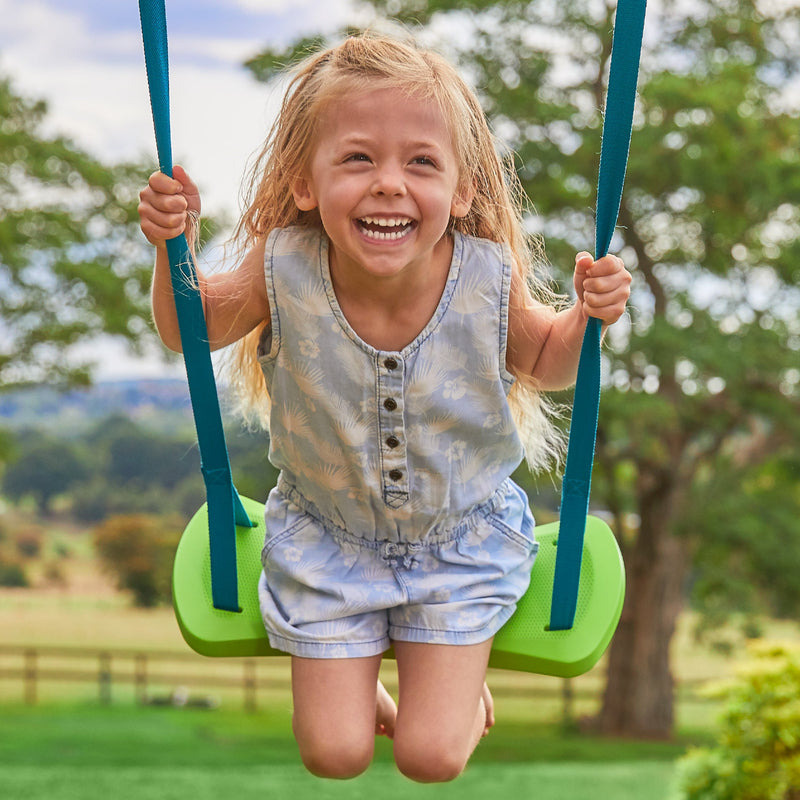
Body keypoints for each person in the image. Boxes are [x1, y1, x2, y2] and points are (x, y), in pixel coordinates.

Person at [138, 32, 631, 783]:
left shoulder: (485, 278)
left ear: (463, 189)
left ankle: (454, 689)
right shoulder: (283, 265)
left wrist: (584, 319)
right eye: (358, 158)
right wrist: (175, 247)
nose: (389, 184)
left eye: (422, 162)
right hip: (327, 539)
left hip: (459, 543)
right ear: (306, 182)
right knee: (333, 755)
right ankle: (379, 653)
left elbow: (547, 364)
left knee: (431, 759)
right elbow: (186, 331)